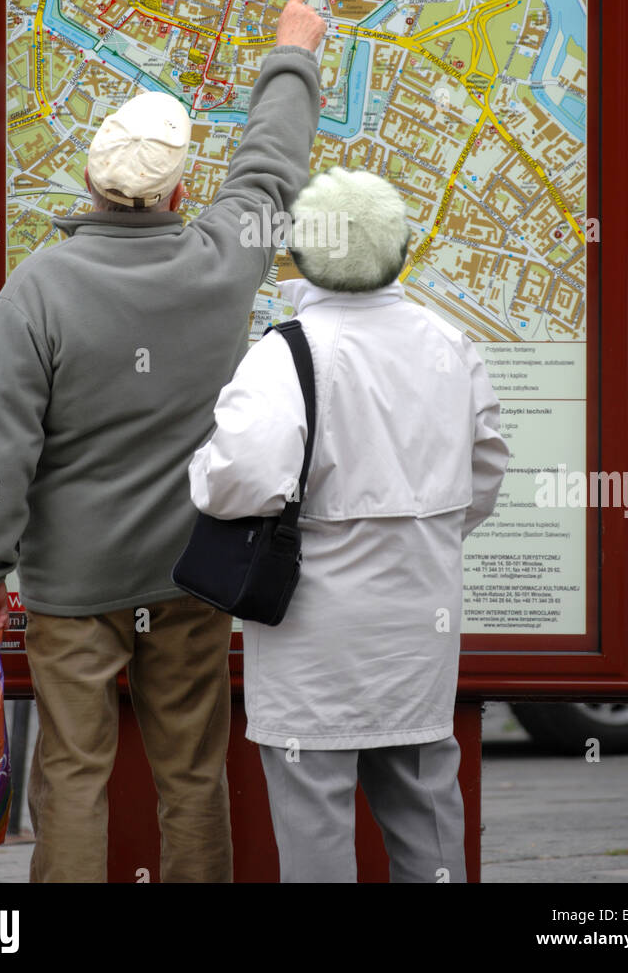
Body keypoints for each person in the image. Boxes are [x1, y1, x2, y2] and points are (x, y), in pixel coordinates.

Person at [0, 0, 326, 883]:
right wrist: (295, 51)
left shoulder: (39, 287)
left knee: (73, 772)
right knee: (191, 771)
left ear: (90, 181)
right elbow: (270, 169)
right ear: (178, 192)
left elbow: (1, 443)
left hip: (73, 585)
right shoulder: (219, 262)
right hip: (186, 574)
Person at [188, 165, 510, 884]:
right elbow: (484, 470)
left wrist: (198, 472)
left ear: (301, 255)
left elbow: (239, 480)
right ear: (400, 250)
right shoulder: (450, 344)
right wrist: (427, 535)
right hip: (419, 614)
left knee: (314, 818)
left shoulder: (285, 353)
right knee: (427, 796)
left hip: (313, 631)